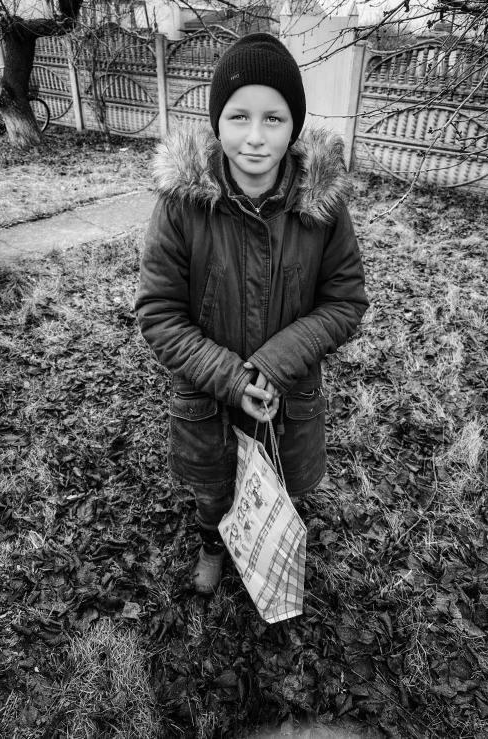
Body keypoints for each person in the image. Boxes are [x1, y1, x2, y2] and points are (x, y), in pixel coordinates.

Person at [135, 33, 369, 594]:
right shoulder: (182, 206)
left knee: (280, 484)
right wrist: (231, 378)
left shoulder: (323, 209)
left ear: (294, 126)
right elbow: (159, 312)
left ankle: (266, 545)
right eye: (239, 116)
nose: (256, 138)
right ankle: (214, 542)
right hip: (208, 396)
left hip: (288, 398)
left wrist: (280, 359)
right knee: (213, 488)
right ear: (217, 121)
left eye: (274, 118)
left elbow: (345, 301)